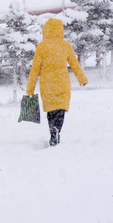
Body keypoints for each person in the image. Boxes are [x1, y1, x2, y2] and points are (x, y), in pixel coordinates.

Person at [26, 18, 88, 146]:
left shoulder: (42, 47)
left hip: (47, 83)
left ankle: (52, 130)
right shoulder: (65, 45)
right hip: (62, 82)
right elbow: (74, 64)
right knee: (60, 109)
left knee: (51, 110)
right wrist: (82, 79)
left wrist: (30, 89)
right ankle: (58, 129)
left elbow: (35, 69)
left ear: (46, 31)